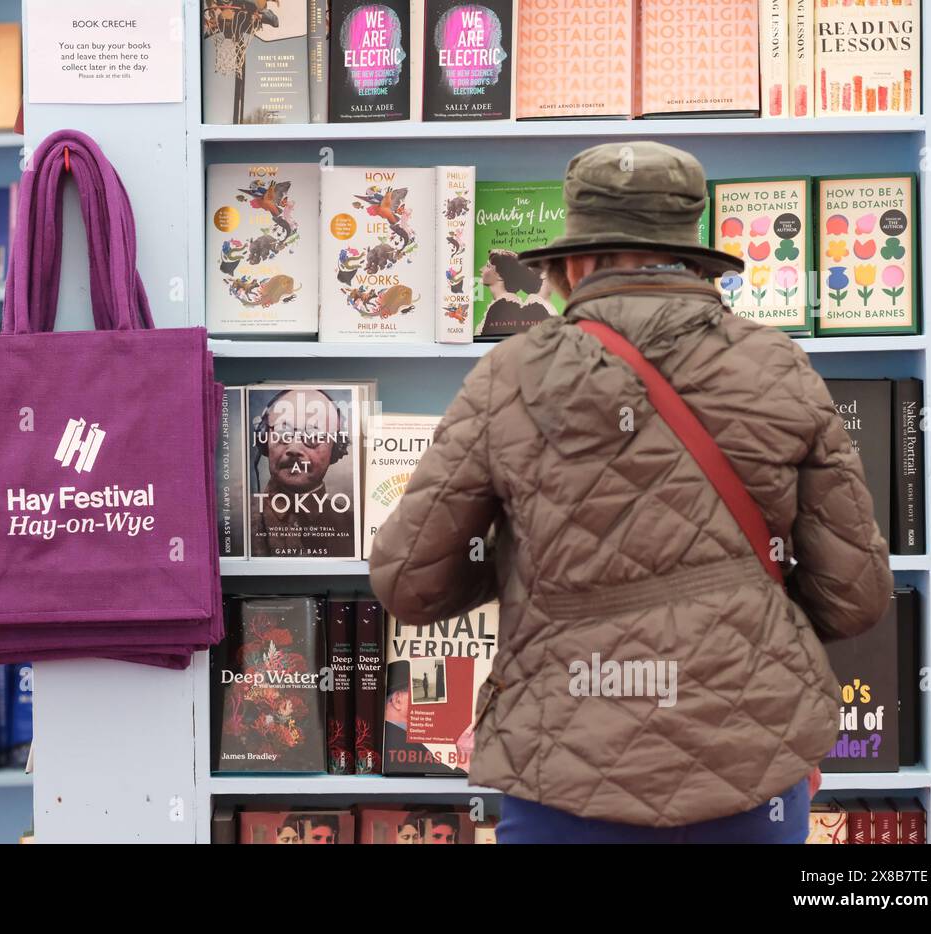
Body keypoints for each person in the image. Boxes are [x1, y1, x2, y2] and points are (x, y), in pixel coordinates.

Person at [368, 141, 892, 844]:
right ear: (689, 254)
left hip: (561, 772)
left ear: (573, 263)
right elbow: (854, 596)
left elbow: (409, 579)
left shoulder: (509, 375)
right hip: (751, 774)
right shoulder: (779, 365)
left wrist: (524, 562)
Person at [249, 387, 356, 557]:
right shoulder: (237, 524)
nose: (294, 448)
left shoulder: (355, 525)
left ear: (336, 448)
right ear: (263, 438)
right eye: (283, 432)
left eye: (314, 435)